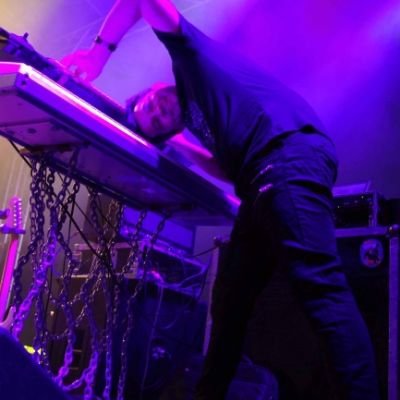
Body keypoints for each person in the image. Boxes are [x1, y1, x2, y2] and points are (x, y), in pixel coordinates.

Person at [62, 1, 381, 399]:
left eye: (152, 104)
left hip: (287, 154)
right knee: (230, 302)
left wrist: (97, 55)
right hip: (262, 178)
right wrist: (174, 142)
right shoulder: (204, 121)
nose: (159, 111)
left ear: (155, 87)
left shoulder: (191, 60)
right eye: (156, 122)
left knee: (320, 285)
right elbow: (230, 171)